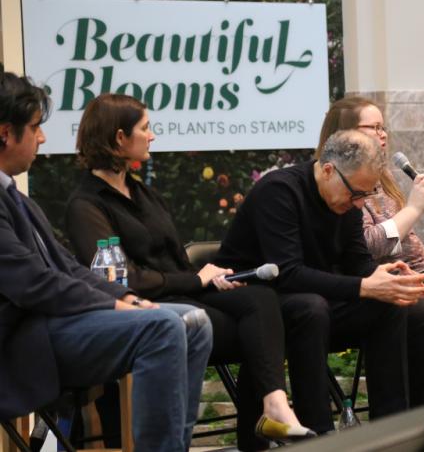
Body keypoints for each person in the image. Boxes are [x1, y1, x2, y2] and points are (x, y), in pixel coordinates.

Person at [64, 94, 314, 447]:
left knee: (260, 298)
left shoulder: (146, 194)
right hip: (151, 308)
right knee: (248, 328)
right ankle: (257, 430)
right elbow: (126, 280)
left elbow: (176, 261)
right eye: (145, 128)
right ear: (119, 137)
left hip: (185, 293)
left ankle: (274, 405)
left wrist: (213, 279)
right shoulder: (86, 205)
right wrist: (197, 279)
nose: (152, 136)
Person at [0, 72, 212, 452]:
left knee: (194, 322)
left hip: (52, 325)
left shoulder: (16, 197)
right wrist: (115, 303)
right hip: (22, 339)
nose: (43, 138)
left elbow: (69, 269)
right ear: (4, 132)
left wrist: (126, 297)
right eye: (35, 128)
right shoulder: (66, 201)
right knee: (162, 325)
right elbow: (33, 284)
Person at [215, 130, 424, 434]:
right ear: (328, 170)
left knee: (388, 305)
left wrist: (384, 278)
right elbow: (287, 273)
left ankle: (391, 432)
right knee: (311, 308)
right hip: (254, 296)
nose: (359, 205)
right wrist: (365, 286)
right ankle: (319, 434)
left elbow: (356, 262)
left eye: (366, 195)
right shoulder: (279, 190)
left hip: (310, 293)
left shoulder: (346, 197)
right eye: (356, 194)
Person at [315, 97, 424, 407]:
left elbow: (401, 235)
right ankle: (420, 418)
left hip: (409, 266)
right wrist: (416, 207)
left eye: (384, 127)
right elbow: (365, 246)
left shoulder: (384, 174)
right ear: (345, 133)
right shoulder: (337, 180)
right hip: (370, 276)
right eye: (374, 127)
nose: (383, 135)